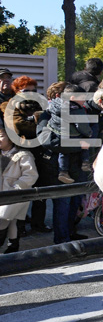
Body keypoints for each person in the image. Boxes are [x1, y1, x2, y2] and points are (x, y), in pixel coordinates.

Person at [2, 76, 54, 233]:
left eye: (33, 90)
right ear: (17, 91)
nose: (31, 93)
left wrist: (38, 122)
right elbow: (18, 126)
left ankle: (38, 223)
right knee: (22, 191)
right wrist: (39, 123)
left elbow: (51, 125)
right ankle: (19, 226)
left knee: (41, 190)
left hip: (40, 152)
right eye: (26, 90)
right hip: (21, 153)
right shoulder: (8, 105)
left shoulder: (41, 105)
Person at [0, 124, 39, 253]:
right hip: (4, 195)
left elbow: (31, 175)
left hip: (16, 195)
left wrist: (16, 187)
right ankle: (13, 246)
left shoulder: (24, 155)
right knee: (12, 221)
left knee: (3, 219)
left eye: (1, 136)